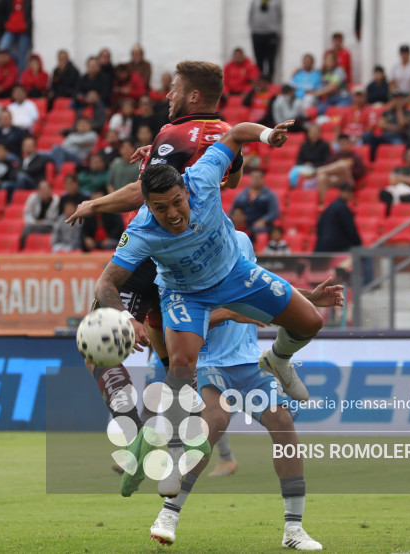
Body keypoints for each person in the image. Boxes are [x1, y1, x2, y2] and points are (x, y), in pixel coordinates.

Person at [95, 122, 322, 498]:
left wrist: (267, 136)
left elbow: (235, 135)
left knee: (311, 322)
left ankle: (279, 359)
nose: (171, 214)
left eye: (176, 202)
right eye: (159, 208)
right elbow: (106, 284)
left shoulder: (202, 176)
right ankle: (168, 457)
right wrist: (126, 318)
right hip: (186, 294)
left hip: (236, 274)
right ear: (148, 207)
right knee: (181, 365)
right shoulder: (142, 230)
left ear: (187, 189)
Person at [148, 230, 331, 551]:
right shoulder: (183, 255)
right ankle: (168, 514)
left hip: (248, 361)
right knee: (216, 419)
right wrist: (229, 312)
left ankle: (294, 529)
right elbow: (176, 319)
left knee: (283, 423)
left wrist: (308, 298)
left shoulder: (241, 240)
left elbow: (265, 289)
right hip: (207, 358)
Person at [315, 134, 366, 200]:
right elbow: (327, 167)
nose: (343, 145)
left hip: (348, 181)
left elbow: (361, 172)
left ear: (349, 144)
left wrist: (347, 168)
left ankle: (316, 171)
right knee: (321, 177)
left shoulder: (355, 156)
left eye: (345, 143)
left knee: (343, 165)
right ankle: (323, 203)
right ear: (338, 145)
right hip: (335, 179)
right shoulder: (334, 156)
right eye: (341, 144)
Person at [231, 168, 279, 235]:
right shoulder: (242, 195)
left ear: (262, 179)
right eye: (253, 178)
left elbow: (274, 212)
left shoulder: (269, 195)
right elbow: (232, 211)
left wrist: (264, 220)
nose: (255, 180)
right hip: (244, 225)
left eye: (258, 178)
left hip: (261, 227)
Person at [363, 91, 410, 159]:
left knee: (398, 143)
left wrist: (399, 109)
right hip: (384, 136)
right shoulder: (387, 112)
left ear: (403, 100)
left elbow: (403, 124)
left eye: (399, 99)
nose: (396, 101)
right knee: (367, 136)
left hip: (398, 137)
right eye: (395, 99)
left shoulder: (408, 112)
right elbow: (381, 125)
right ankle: (373, 159)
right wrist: (398, 128)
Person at [314, 183, 361, 252]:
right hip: (335, 247)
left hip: (323, 245)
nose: (348, 194)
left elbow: (320, 224)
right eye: (347, 192)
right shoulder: (342, 208)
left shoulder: (332, 206)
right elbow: (351, 229)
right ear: (341, 192)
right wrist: (359, 244)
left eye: (350, 192)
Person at [380, 147, 410, 215]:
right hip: (398, 190)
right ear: (405, 157)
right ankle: (389, 215)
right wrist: (409, 179)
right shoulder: (398, 168)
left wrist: (400, 178)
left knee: (406, 198)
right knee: (384, 193)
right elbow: (392, 181)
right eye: (409, 156)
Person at [248, 0, 282, 81]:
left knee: (271, 59)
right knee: (259, 59)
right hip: (257, 33)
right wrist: (253, 29)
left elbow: (279, 16)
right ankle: (260, 81)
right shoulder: (255, 2)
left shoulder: (276, 2)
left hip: (271, 33)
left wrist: (276, 29)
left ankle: (270, 81)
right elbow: (251, 16)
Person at [21, 179, 60, 246]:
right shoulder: (33, 198)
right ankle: (22, 249)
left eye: (46, 188)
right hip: (35, 224)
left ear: (50, 189)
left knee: (58, 231)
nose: (44, 191)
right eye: (42, 189)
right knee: (27, 229)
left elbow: (55, 217)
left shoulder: (56, 200)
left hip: (50, 225)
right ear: (38, 191)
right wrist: (34, 222)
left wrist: (42, 222)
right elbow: (27, 214)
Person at [0, 0, 32, 74]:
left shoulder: (27, 1)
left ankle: (20, 81)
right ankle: (15, 61)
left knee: (22, 57)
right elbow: (3, 9)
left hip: (24, 30)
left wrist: (27, 24)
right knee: (2, 48)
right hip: (11, 29)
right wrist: (6, 23)